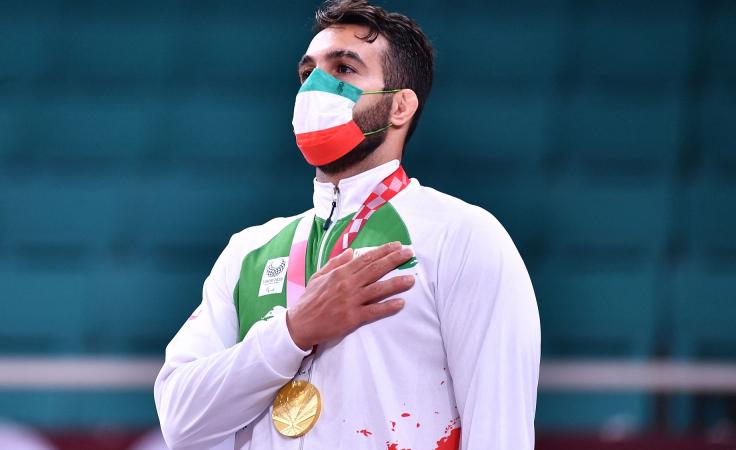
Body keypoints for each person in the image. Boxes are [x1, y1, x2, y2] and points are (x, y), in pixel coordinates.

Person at [154, 1, 541, 449]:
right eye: (307, 74)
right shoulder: (248, 251)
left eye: (343, 69)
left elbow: (500, 432)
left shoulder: (462, 236)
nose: (316, 86)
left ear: (400, 106)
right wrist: (292, 333)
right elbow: (180, 420)